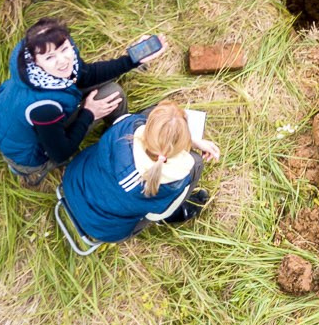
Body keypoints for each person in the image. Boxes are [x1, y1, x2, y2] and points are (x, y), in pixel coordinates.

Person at [0, 18, 165, 188]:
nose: (63, 60)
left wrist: (131, 60)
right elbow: (61, 153)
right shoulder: (43, 108)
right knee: (113, 93)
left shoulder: (37, 62)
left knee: (108, 80)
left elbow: (86, 75)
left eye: (64, 49)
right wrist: (89, 113)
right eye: (50, 57)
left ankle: (118, 125)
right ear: (36, 63)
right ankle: (123, 135)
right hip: (32, 156)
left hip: (13, 121)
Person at [60, 102, 217, 244]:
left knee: (149, 110)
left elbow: (141, 121)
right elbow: (156, 215)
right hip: (102, 227)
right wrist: (190, 141)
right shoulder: (174, 180)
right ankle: (180, 212)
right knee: (196, 163)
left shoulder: (127, 124)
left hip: (73, 180)